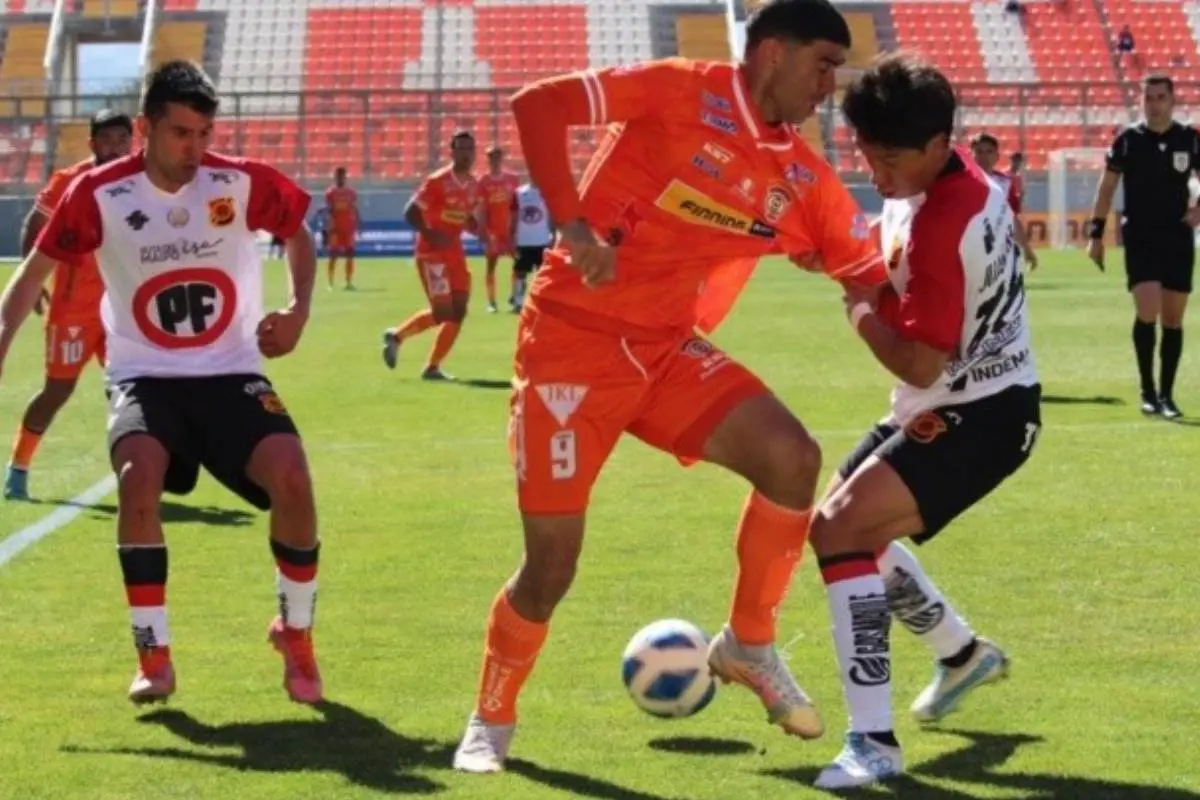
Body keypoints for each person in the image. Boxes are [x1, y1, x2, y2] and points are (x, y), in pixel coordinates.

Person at [451, 0, 890, 774]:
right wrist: (573, 226)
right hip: (569, 348)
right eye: (823, 64)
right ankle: (491, 720)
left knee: (791, 458)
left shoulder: (800, 175)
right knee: (550, 571)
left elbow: (869, 274)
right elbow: (540, 105)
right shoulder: (679, 89)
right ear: (775, 53)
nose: (830, 86)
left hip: (665, 355)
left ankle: (750, 642)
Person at [0, 60, 324, 705]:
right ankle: (155, 653)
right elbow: (32, 275)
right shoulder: (98, 193)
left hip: (231, 372)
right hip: (144, 375)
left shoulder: (239, 182)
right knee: (138, 475)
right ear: (146, 127)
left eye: (205, 133)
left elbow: (297, 234)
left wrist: (298, 310)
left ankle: (296, 633)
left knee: (292, 473)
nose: (195, 150)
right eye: (181, 134)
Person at [807, 54, 1042, 789]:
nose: (875, 172)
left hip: (981, 413)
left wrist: (857, 303)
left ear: (940, 145)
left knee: (842, 529)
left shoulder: (948, 221)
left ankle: (873, 743)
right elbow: (893, 243)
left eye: (888, 160)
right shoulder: (938, 176)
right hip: (952, 401)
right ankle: (963, 654)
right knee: (839, 523)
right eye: (863, 155)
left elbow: (917, 361)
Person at [3, 109, 133, 501]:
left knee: (130, 391)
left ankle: (135, 470)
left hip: (124, 309)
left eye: (121, 140)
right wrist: (34, 278)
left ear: (133, 141)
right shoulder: (68, 182)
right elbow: (34, 224)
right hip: (73, 308)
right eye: (105, 141)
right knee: (57, 391)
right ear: (92, 144)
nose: (114, 148)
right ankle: (18, 469)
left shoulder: (142, 180)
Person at [1088, 74, 1198, 419]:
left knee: (1174, 319)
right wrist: (1096, 236)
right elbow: (1106, 188)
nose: (1154, 104)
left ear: (1172, 100)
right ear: (1141, 102)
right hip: (1141, 236)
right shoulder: (1128, 140)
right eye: (1148, 98)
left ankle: (1167, 395)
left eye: (1160, 97)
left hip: (1178, 237)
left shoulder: (1189, 139)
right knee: (1147, 307)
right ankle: (1147, 391)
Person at [381, 131, 479, 380]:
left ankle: (432, 366)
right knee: (444, 312)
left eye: (470, 148)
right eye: (461, 149)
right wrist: (430, 233)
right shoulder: (437, 181)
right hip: (432, 254)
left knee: (459, 311)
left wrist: (481, 230)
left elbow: (464, 215)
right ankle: (398, 337)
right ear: (452, 152)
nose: (466, 153)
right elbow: (410, 212)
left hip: (455, 254)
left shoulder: (473, 184)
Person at [969, 133, 1037, 270]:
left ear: (997, 156)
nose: (984, 156)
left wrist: (1027, 248)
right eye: (979, 152)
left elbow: (1012, 219)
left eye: (989, 151)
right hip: (969, 248)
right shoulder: (961, 183)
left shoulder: (1005, 183)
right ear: (971, 156)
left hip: (997, 252)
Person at [478, 146, 520, 312]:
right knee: (491, 266)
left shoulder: (512, 179)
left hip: (510, 230)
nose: (494, 161)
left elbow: (516, 206)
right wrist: (483, 230)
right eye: (491, 158)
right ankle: (491, 302)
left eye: (497, 157)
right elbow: (482, 208)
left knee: (518, 265)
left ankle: (515, 298)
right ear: (487, 160)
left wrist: (516, 229)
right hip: (493, 231)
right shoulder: (483, 181)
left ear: (501, 159)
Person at [508, 180, 553, 311]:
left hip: (542, 240)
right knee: (520, 272)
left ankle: (541, 301)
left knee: (543, 273)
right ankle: (518, 302)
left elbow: (552, 215)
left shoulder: (548, 191)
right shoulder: (519, 192)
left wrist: (554, 234)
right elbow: (514, 217)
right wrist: (511, 238)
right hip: (524, 241)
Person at [324, 166, 359, 290]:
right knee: (333, 254)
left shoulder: (351, 193)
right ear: (335, 177)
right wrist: (328, 227)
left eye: (342, 176)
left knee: (350, 254)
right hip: (335, 229)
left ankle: (348, 282)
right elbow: (328, 211)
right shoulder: (330, 193)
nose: (340, 178)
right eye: (338, 176)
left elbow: (354, 209)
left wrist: (358, 224)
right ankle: (330, 282)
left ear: (345, 177)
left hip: (348, 228)